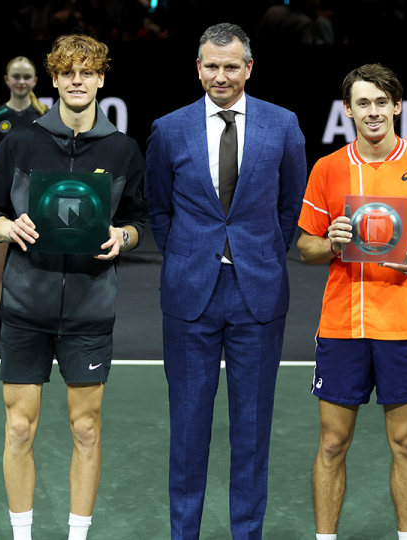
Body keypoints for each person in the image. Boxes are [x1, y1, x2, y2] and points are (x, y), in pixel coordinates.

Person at [144, 22, 307, 540]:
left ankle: (247, 534)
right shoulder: (169, 129)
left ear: (249, 68)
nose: (221, 75)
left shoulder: (283, 125)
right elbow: (158, 208)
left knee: (252, 432)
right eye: (211, 66)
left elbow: (291, 205)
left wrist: (257, 253)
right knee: (188, 432)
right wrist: (192, 256)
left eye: (231, 66)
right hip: (190, 292)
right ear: (197, 68)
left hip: (258, 293)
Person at [0, 34, 148, 540]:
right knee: (17, 427)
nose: (77, 81)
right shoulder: (19, 141)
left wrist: (123, 235)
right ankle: (21, 534)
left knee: (86, 428)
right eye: (67, 73)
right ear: (53, 80)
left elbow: (140, 220)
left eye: (88, 72)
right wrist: (6, 228)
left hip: (89, 306)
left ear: (101, 79)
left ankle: (78, 535)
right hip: (24, 303)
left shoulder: (123, 150)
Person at [298, 63, 407, 540]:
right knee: (331, 443)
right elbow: (306, 247)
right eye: (363, 103)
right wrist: (330, 242)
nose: (373, 111)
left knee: (406, 444)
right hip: (342, 326)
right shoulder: (327, 169)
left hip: (404, 325)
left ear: (397, 107)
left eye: (381, 102)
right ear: (347, 110)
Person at [0, 56, 49, 359]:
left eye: (27, 77)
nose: (22, 82)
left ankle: (39, 333)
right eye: (16, 76)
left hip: (37, 206)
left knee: (39, 271)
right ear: (7, 80)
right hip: (2, 208)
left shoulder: (46, 116)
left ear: (35, 81)